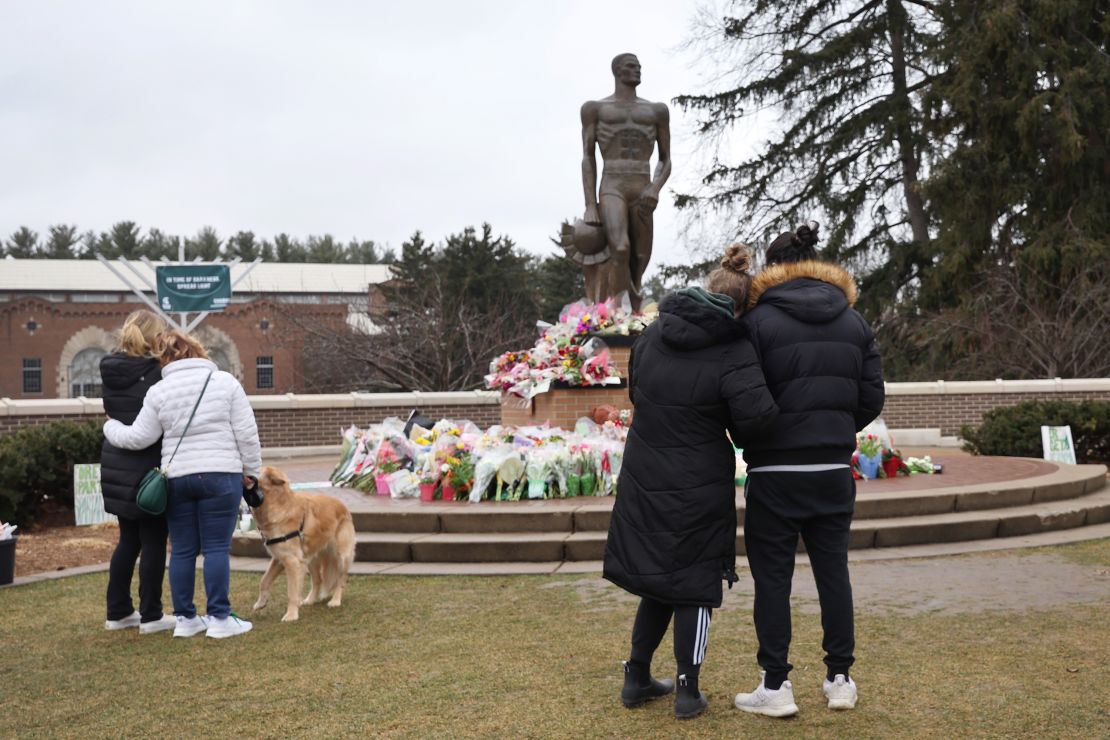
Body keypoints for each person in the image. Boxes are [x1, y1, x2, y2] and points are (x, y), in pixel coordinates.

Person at [603, 245, 778, 720]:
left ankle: (636, 674)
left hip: (644, 469)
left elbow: (636, 390)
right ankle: (687, 687)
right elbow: (755, 421)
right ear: (741, 306)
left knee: (661, 579)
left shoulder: (654, 333)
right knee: (696, 583)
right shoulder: (733, 347)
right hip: (698, 478)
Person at [733, 223, 885, 717]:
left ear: (771, 270)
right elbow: (870, 399)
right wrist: (833, 426)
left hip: (775, 471)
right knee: (833, 573)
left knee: (772, 581)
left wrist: (760, 437)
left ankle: (775, 686)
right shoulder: (853, 321)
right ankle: (840, 677)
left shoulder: (756, 324)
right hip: (831, 468)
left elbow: (742, 396)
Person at [103, 329, 261, 640]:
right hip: (220, 473)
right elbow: (246, 432)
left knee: (183, 550)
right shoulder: (225, 382)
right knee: (216, 547)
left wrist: (110, 425)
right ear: (199, 352)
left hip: (177, 478)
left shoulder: (159, 391)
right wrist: (251, 472)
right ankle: (219, 617)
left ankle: (186, 618)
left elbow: (138, 438)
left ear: (164, 358)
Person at [100, 310, 176, 634]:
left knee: (128, 539)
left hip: (116, 460)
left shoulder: (110, 370)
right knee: (154, 539)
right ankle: (151, 615)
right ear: (154, 337)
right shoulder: (157, 373)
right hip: (146, 464)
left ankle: (117, 612)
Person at [579, 52, 671, 310]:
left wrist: (655, 188)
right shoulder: (595, 109)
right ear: (618, 71)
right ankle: (618, 308)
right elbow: (587, 157)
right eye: (632, 66)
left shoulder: (656, 111)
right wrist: (590, 204)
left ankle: (635, 304)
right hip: (612, 184)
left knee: (640, 256)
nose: (638, 70)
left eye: (640, 66)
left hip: (642, 184)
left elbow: (666, 159)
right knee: (620, 248)